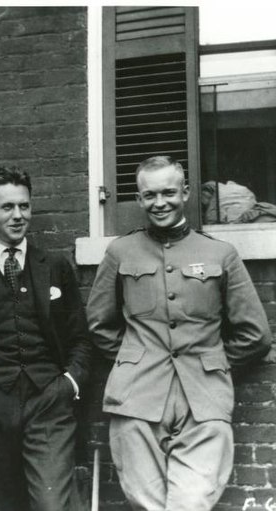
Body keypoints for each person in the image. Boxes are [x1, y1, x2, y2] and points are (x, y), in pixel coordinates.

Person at [87, 155, 272, 511]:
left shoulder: (220, 253)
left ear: (185, 192)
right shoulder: (120, 252)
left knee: (191, 503)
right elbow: (98, 324)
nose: (160, 203)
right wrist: (135, 359)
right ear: (139, 199)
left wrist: (212, 361)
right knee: (147, 504)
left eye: (169, 193)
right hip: (137, 399)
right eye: (150, 195)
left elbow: (255, 334)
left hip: (204, 400)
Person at [0, 167, 93, 511]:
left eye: (24, 206)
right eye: (7, 207)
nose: (17, 215)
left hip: (48, 401)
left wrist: (69, 383)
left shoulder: (54, 266)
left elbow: (81, 338)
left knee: (52, 503)